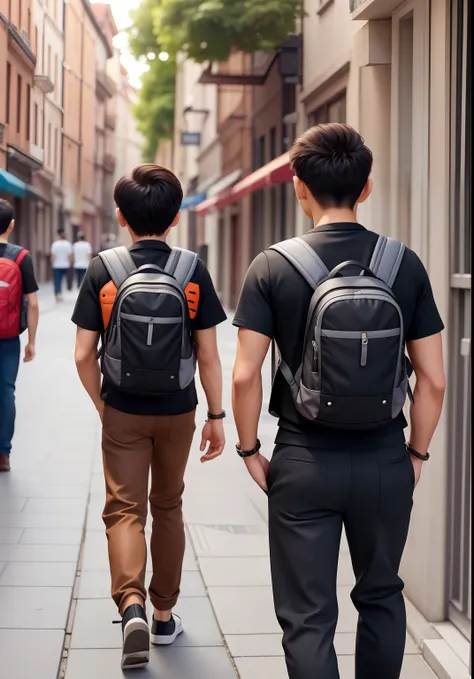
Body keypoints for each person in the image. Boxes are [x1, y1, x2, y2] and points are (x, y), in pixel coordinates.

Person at [232, 124, 446, 679]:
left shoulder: (271, 266)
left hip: (303, 460)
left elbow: (245, 375)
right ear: (366, 188)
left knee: (307, 616)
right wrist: (415, 456)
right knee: (380, 595)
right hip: (384, 459)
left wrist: (251, 449)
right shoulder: (405, 265)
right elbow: (434, 381)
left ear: (298, 187)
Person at [72, 164, 227, 670]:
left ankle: (131, 605)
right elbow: (208, 353)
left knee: (123, 508)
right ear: (176, 216)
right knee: (168, 505)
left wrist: (103, 405)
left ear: (120, 216)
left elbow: (81, 354)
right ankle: (163, 615)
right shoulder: (192, 270)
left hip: (124, 407)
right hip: (179, 409)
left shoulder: (104, 268)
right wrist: (217, 415)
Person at [0, 199, 39, 472]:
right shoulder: (21, 257)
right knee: (6, 392)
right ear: (11, 225)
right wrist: (32, 341)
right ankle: (3, 454)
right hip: (8, 336)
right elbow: (33, 303)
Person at [51, 228, 72, 301]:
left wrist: (52, 263)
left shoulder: (55, 244)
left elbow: (53, 255)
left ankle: (58, 293)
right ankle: (60, 292)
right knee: (63, 280)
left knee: (57, 280)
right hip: (65, 265)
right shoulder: (68, 244)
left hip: (56, 265)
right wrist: (70, 263)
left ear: (58, 235)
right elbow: (69, 255)